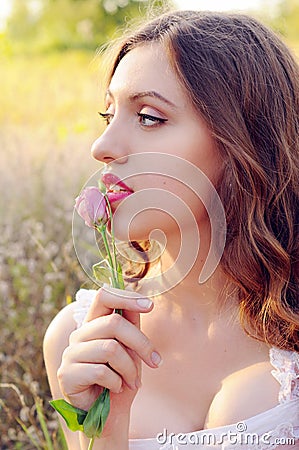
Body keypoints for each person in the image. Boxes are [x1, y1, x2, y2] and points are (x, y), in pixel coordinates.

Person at [43, 9, 299, 450]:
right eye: (109, 116)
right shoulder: (80, 338)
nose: (101, 147)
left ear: (243, 140)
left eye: (148, 117)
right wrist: (105, 429)